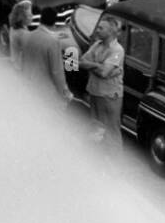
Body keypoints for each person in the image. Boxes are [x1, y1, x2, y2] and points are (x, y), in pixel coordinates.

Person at [79, 17, 125, 149]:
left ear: (110, 32)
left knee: (111, 130)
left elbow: (104, 72)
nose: (97, 30)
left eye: (101, 28)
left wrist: (92, 65)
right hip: (95, 92)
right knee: (96, 127)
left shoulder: (117, 50)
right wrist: (98, 66)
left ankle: (115, 161)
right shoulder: (97, 45)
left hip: (109, 96)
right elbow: (81, 62)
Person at [19, 8, 75, 108]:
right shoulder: (53, 42)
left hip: (26, 85)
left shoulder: (26, 36)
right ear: (54, 23)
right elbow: (57, 72)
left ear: (40, 20)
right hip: (45, 93)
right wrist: (65, 93)